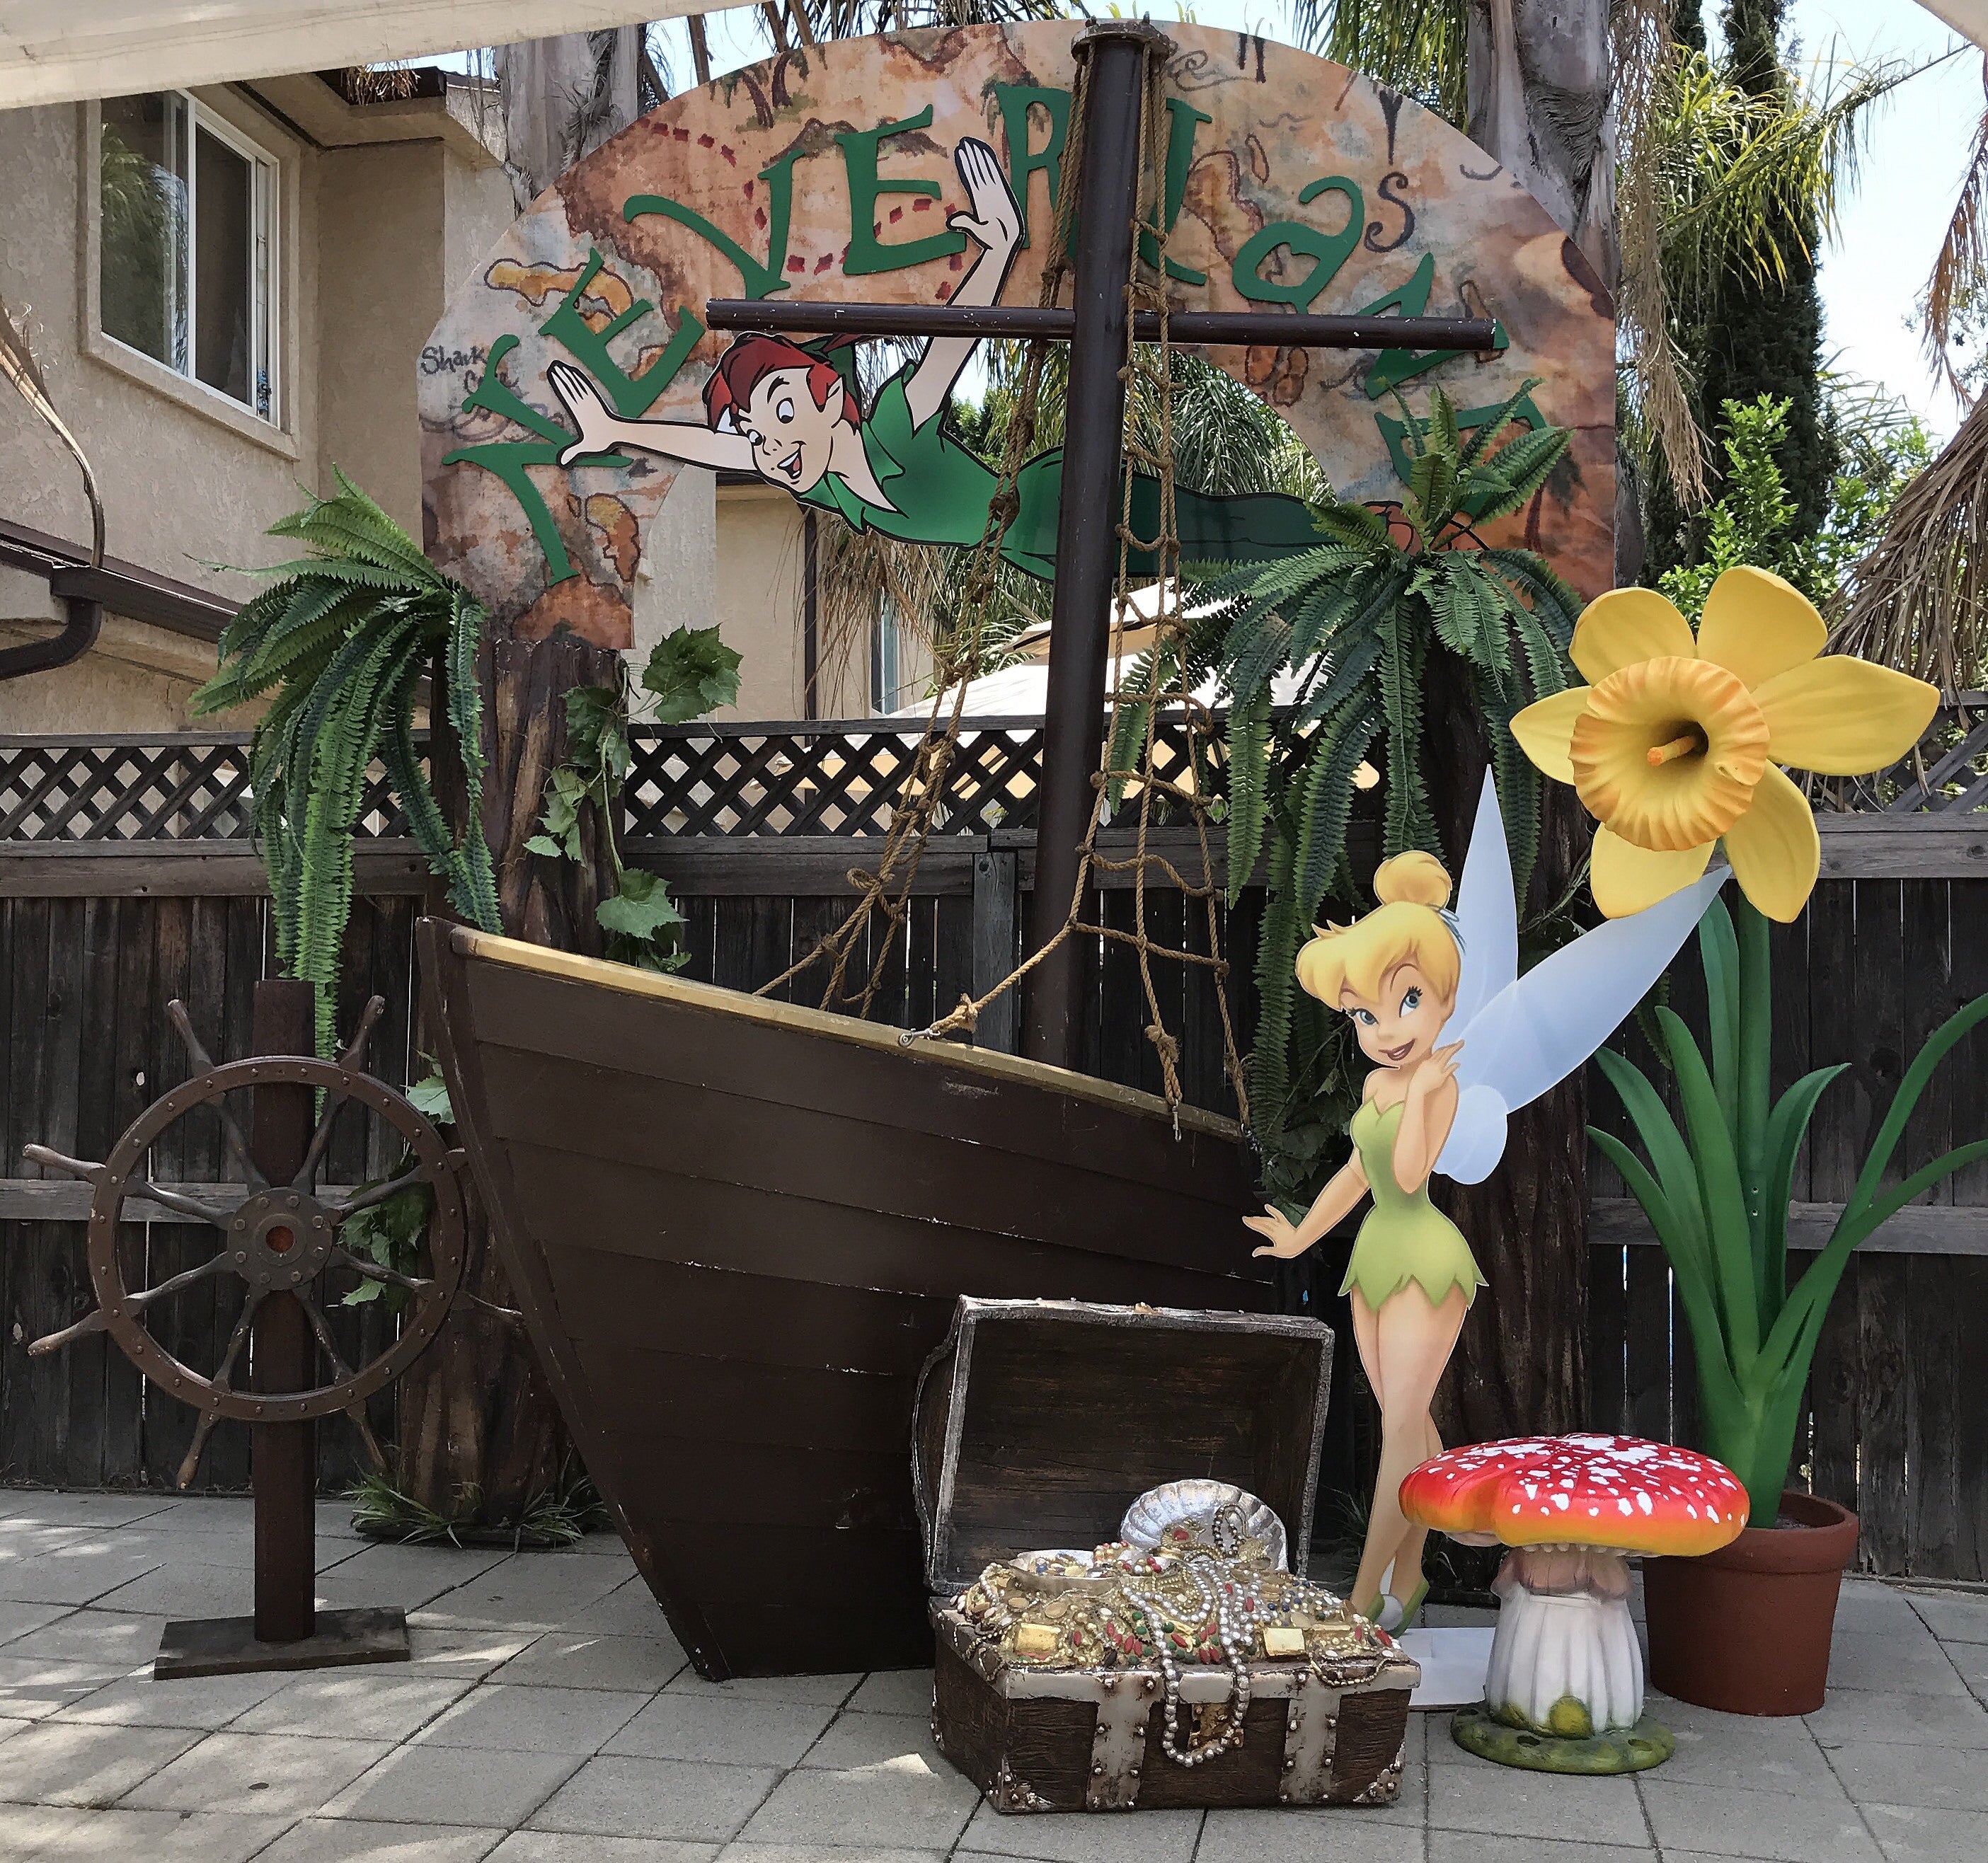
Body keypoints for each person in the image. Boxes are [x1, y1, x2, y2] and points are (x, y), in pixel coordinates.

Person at [546, 136, 1321, 576]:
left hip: (1060, 502)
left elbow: (951, 343)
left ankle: (1356, 542)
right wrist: (616, 430)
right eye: (759, 435)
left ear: (826, 396)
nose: (768, 444)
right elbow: (712, 442)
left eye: (780, 412)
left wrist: (999, 249)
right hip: (1039, 553)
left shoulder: (891, 427)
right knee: (1225, 568)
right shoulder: (827, 489)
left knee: (1227, 533)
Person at [1243, 851, 1483, 1630]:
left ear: (1444, 996)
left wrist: (1419, 1095)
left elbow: (1410, 1174)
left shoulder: (1436, 1083)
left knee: (1399, 1433)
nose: (1386, 1030)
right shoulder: (1382, 1083)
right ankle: (1409, 1578)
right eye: (1363, 1014)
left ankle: (1357, 1599)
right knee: (1404, 1428)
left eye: (1406, 1001)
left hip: (1425, 1258)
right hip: (1375, 1255)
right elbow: (1357, 1171)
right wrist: (1299, 1235)